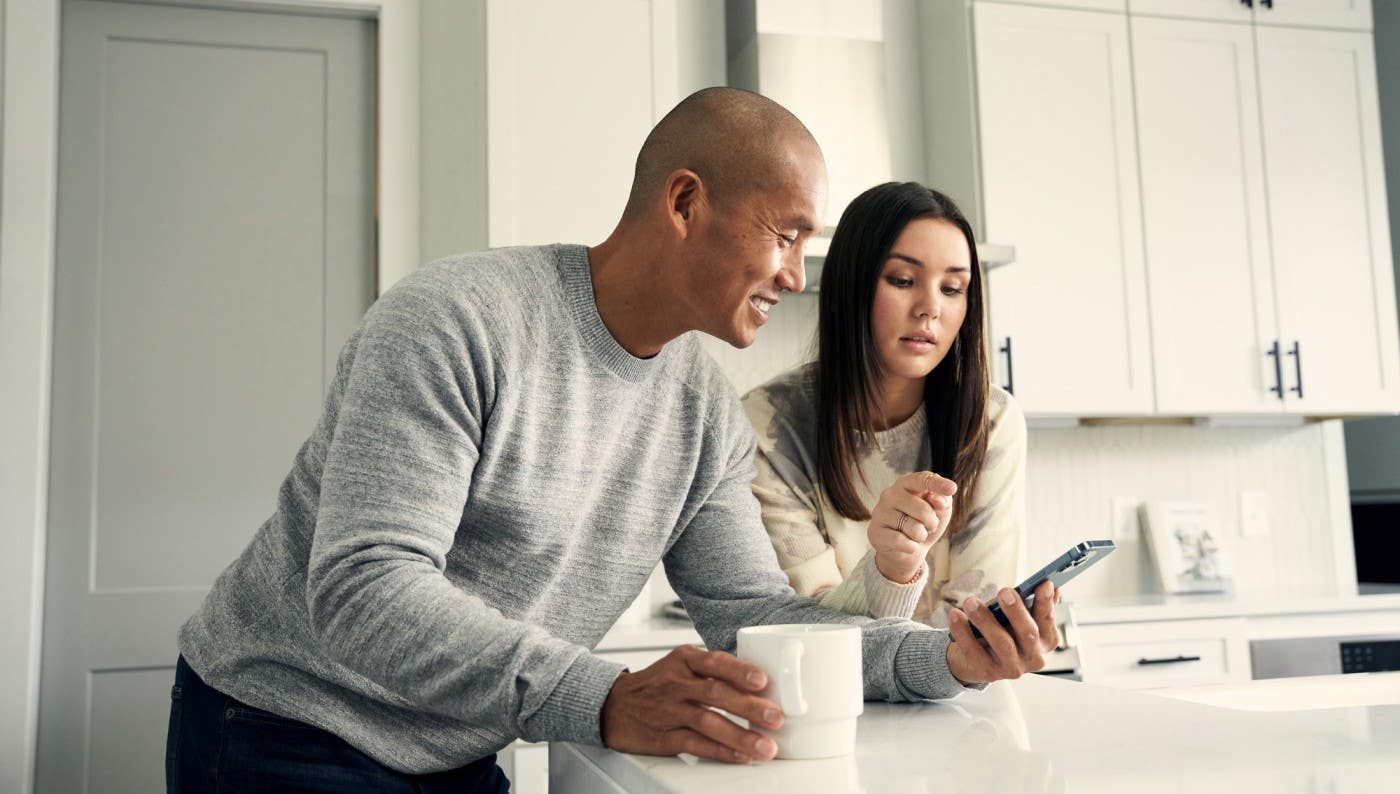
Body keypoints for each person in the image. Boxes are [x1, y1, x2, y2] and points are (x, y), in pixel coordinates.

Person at [166, 90, 1058, 794]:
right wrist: (603, 695)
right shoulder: (455, 320)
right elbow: (365, 586)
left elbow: (754, 616)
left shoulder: (703, 410)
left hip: (460, 751)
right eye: (785, 235)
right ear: (685, 202)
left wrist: (943, 660)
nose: (795, 275)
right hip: (285, 728)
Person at [743, 182, 1029, 627]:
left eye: (952, 288)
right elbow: (811, 628)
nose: (930, 308)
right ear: (850, 286)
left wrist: (1001, 638)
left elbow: (975, 621)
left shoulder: (991, 421)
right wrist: (889, 572)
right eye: (902, 280)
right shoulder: (768, 426)